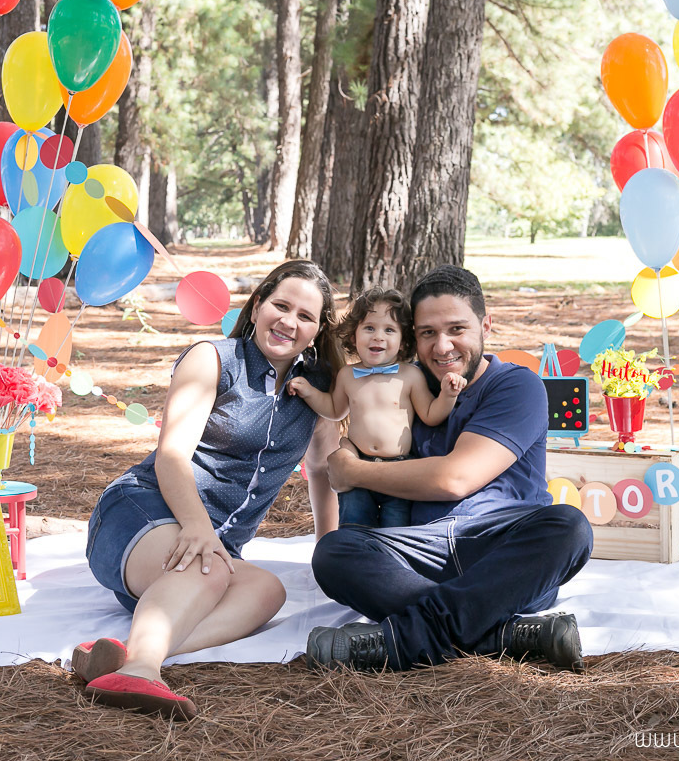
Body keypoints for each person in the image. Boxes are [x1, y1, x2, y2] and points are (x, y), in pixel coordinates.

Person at [76, 260, 340, 719]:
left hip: (200, 556)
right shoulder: (213, 358)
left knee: (267, 592)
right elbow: (172, 455)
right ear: (257, 306)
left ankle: (126, 652)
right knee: (210, 567)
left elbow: (322, 472)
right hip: (140, 513)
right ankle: (140, 670)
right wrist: (200, 528)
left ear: (316, 331)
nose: (288, 322)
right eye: (280, 306)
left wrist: (327, 550)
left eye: (305, 316)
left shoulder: (319, 391)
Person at [305, 265, 594, 673]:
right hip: (421, 551)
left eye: (457, 329)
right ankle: (502, 635)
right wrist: (346, 449)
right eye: (427, 333)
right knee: (335, 551)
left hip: (501, 550)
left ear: (485, 326)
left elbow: (454, 479)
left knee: (569, 527)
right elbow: (354, 421)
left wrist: (356, 473)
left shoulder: (517, 386)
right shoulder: (412, 385)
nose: (442, 347)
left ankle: (403, 640)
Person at [288, 287, 465, 528]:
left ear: (403, 342)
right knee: (354, 525)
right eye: (369, 328)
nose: (378, 336)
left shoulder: (410, 376)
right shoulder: (348, 375)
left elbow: (431, 415)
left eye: (389, 330)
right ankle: (354, 560)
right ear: (354, 335)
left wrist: (448, 395)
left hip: (400, 469)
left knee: (396, 529)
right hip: (357, 465)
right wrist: (309, 392)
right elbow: (334, 410)